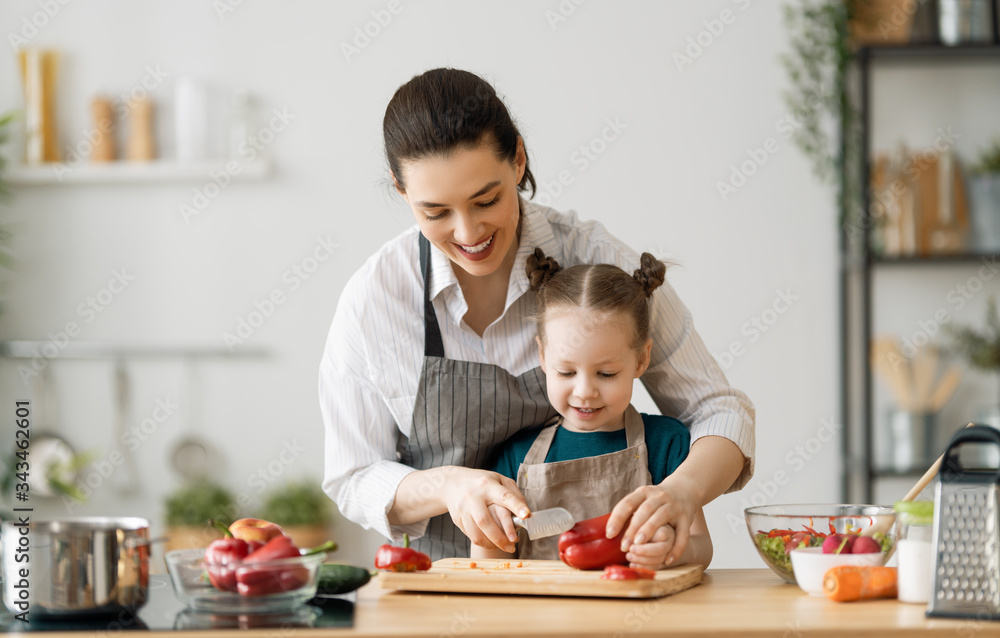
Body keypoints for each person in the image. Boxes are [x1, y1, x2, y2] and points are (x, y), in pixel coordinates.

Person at [320, 67, 755, 562]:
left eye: (487, 200)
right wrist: (449, 487)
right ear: (403, 194)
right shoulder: (375, 298)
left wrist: (682, 493)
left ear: (519, 160)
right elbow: (353, 476)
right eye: (436, 212)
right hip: (439, 590)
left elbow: (720, 411)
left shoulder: (596, 261)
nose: (467, 232)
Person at [470, 249, 712, 568]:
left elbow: (701, 548)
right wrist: (486, 535)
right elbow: (492, 566)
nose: (585, 392)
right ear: (543, 357)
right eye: (566, 372)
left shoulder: (667, 443)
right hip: (538, 618)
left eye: (606, 373)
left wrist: (671, 551)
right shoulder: (515, 456)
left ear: (641, 358)